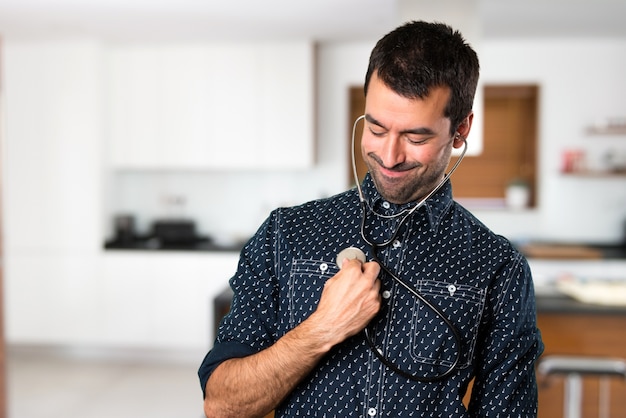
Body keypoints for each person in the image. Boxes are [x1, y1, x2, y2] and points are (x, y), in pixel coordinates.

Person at [199, 20, 544, 417]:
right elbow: (223, 406)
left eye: (416, 138)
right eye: (376, 128)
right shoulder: (287, 233)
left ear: (461, 129)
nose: (390, 155)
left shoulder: (498, 266)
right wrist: (321, 329)